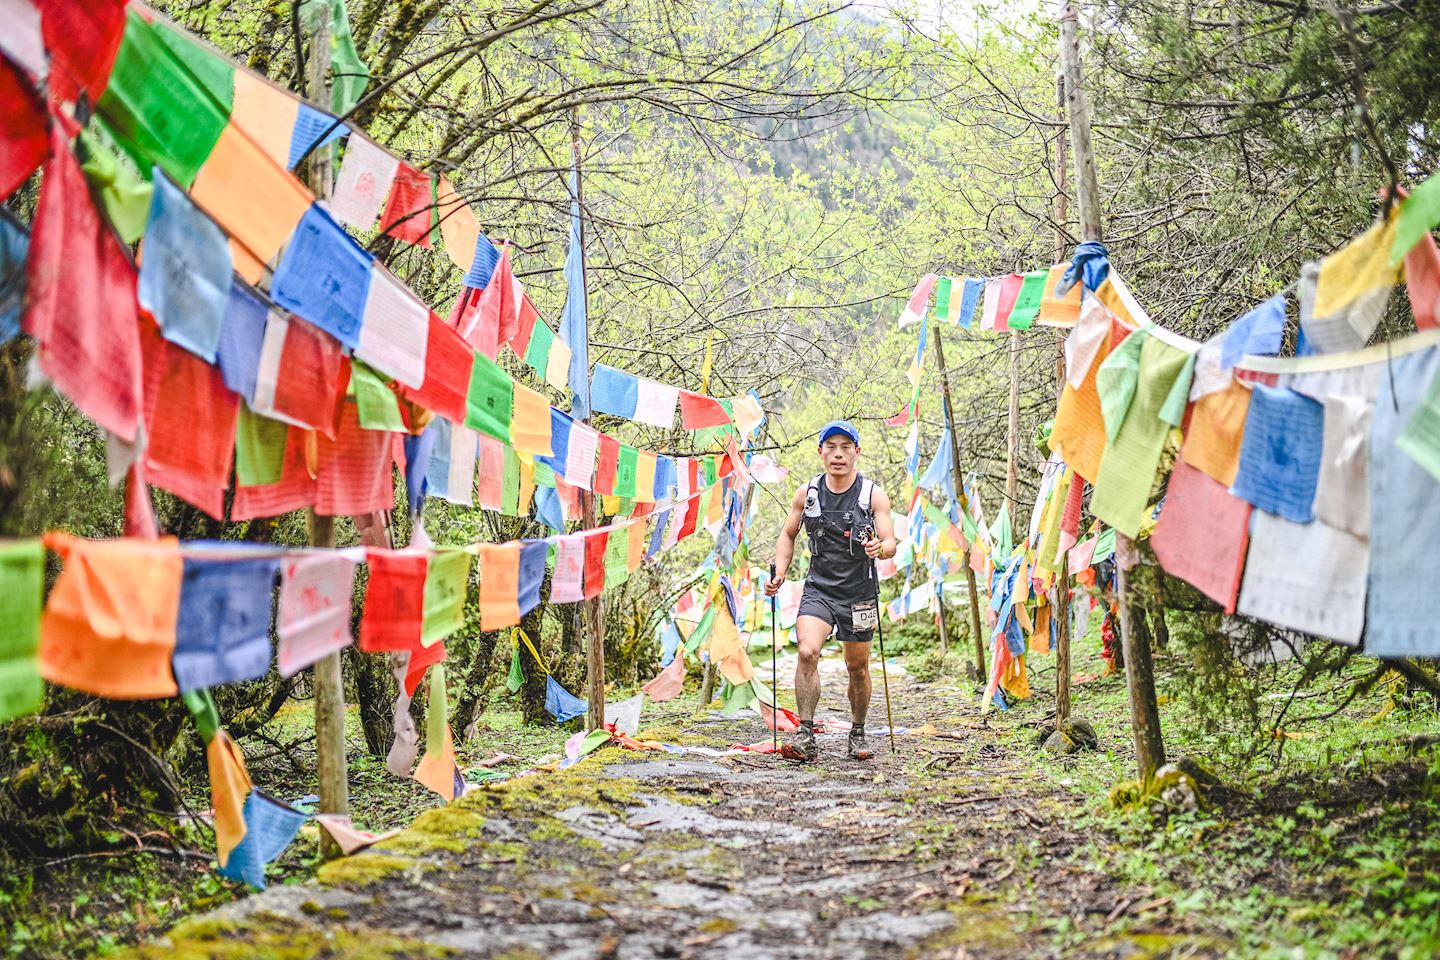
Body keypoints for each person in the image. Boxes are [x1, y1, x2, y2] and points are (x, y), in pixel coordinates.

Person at [765, 420, 896, 761]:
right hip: (819, 588)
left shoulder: (872, 494)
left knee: (858, 668)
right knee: (807, 652)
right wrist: (780, 572)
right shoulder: (807, 493)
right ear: (820, 452)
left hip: (860, 592)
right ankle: (805, 735)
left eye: (845, 448)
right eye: (831, 448)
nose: (838, 455)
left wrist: (879, 548)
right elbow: (787, 536)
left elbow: (891, 541)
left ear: (856, 452)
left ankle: (858, 732)